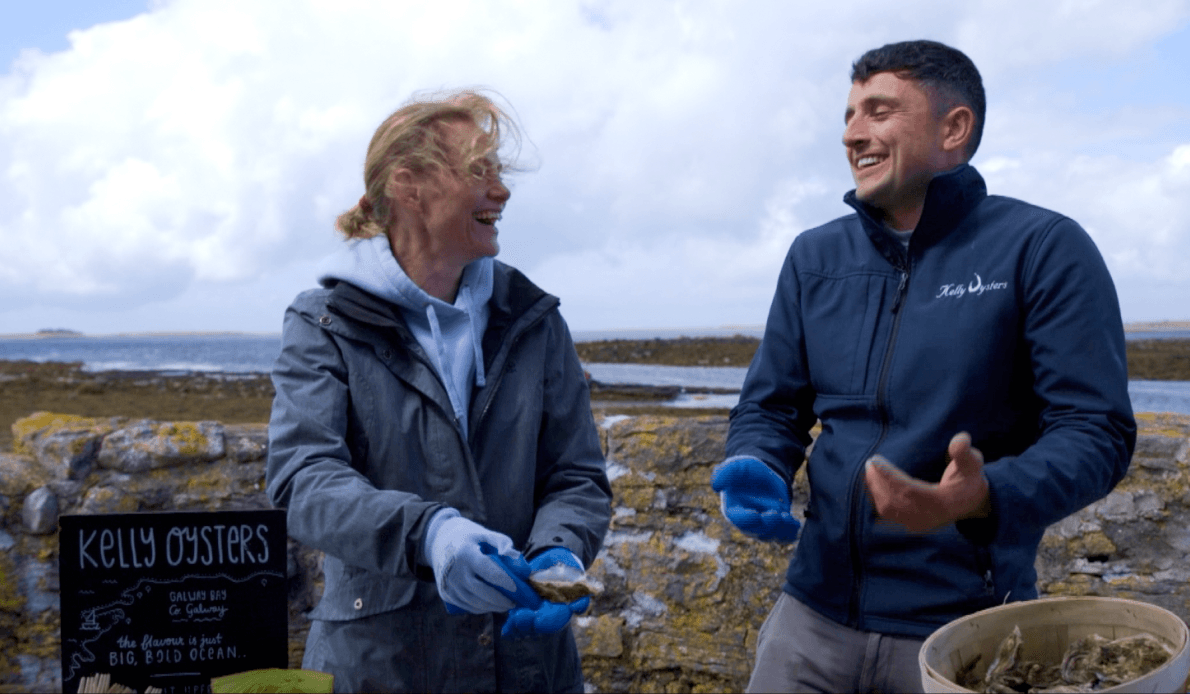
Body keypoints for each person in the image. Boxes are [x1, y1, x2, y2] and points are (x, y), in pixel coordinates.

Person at [712, 40, 1135, 692]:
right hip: (810, 617)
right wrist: (758, 460)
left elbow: (1096, 431)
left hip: (964, 631)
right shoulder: (814, 256)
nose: (853, 134)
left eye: (878, 111)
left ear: (954, 127)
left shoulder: (1042, 248)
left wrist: (985, 495)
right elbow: (773, 404)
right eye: (850, 115)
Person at [266, 90, 612, 693]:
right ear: (409, 185)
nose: (501, 191)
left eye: (499, 173)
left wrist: (560, 553)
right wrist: (431, 534)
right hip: (380, 670)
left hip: (528, 669)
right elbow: (303, 479)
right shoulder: (323, 322)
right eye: (480, 171)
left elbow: (576, 477)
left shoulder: (533, 318)